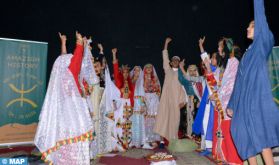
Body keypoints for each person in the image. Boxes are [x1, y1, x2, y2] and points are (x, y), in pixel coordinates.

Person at [227, 0, 279, 164]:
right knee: (242, 134)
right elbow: (238, 82)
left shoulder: (261, 45)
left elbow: (260, 16)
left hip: (257, 99)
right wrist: (232, 105)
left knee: (261, 136)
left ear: (259, 29)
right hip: (243, 102)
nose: (246, 29)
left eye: (250, 26)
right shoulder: (247, 55)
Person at [34, 32, 94, 164]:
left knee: (64, 136)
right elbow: (75, 61)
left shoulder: (62, 73)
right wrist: (79, 43)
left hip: (64, 109)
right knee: (77, 136)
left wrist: (63, 43)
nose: (70, 59)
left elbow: (64, 58)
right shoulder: (70, 72)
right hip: (75, 109)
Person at [202, 37, 242, 164]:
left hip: (229, 104)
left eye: (221, 47)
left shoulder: (234, 62)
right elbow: (215, 82)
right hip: (221, 103)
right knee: (221, 130)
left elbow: (231, 85)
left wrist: (217, 95)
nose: (219, 49)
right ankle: (223, 155)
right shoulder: (223, 66)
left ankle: (234, 159)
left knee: (228, 131)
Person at [153, 37, 187, 146]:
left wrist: (183, 101)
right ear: (171, 63)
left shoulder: (181, 74)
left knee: (175, 121)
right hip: (166, 99)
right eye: (174, 60)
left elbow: (183, 88)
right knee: (163, 119)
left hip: (176, 101)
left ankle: (173, 141)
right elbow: (165, 57)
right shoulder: (168, 70)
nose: (176, 61)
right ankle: (162, 141)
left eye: (177, 60)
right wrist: (166, 44)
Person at [112, 48, 134, 151]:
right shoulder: (118, 81)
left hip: (128, 104)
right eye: (123, 72)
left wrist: (132, 106)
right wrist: (114, 54)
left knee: (127, 123)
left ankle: (126, 142)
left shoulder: (130, 83)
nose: (125, 74)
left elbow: (132, 95)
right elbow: (115, 69)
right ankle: (118, 142)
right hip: (120, 104)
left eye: (127, 72)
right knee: (119, 122)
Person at [143, 64, 161, 148]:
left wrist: (156, 94)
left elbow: (158, 89)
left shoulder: (155, 78)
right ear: (145, 69)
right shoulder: (142, 79)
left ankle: (154, 138)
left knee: (154, 118)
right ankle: (146, 138)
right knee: (146, 118)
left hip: (154, 98)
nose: (149, 69)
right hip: (145, 98)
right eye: (147, 67)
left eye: (150, 67)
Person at [130, 66, 147, 148]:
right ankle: (133, 141)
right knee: (133, 121)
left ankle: (141, 141)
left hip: (139, 103)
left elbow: (143, 95)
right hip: (132, 103)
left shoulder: (142, 82)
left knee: (139, 121)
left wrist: (143, 105)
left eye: (138, 71)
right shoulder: (131, 81)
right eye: (135, 70)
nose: (137, 72)